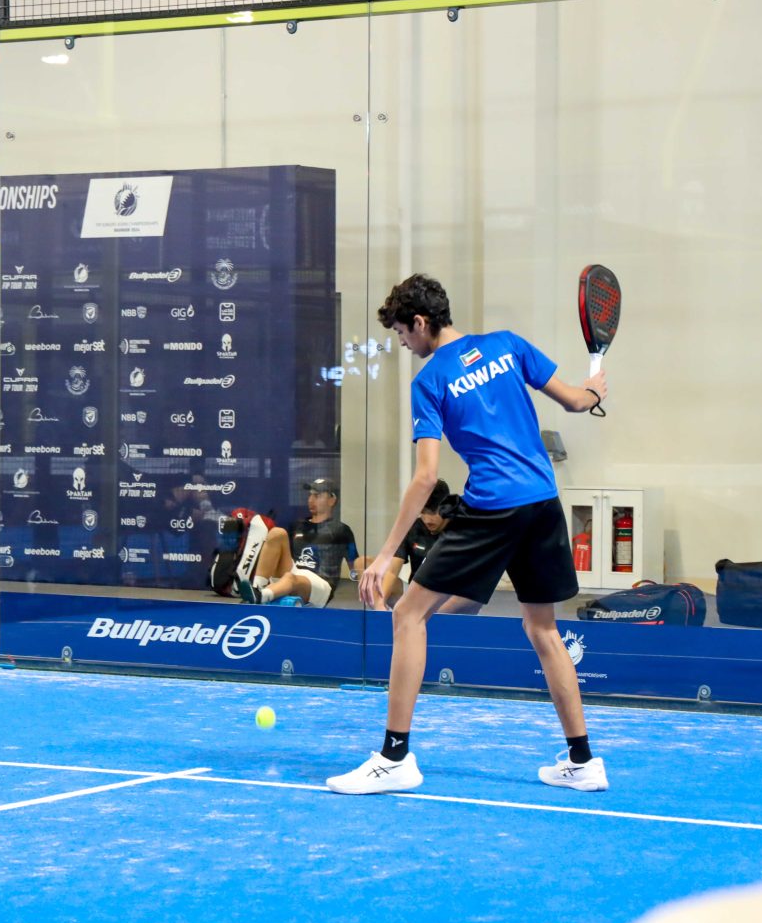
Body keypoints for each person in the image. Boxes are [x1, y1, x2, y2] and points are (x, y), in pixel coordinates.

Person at [327, 273, 610, 795]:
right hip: (543, 503)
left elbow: (426, 477)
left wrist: (384, 555)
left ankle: (394, 757)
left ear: (420, 322)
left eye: (402, 333)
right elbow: (574, 401)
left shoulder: (430, 381)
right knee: (543, 629)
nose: (403, 343)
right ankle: (583, 761)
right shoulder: (508, 344)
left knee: (408, 615)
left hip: (492, 509)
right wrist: (594, 389)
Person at [353, 479, 477, 612]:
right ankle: (386, 613)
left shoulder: (463, 530)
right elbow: (392, 570)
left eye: (433, 512)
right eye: (423, 512)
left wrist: (436, 614)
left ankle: (431, 617)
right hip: (416, 595)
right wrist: (379, 605)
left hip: (449, 598)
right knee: (363, 563)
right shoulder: (414, 527)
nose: (427, 519)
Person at [236, 478, 359, 607]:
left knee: (290, 578)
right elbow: (284, 557)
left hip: (321, 583)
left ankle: (262, 596)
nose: (310, 500)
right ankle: (257, 589)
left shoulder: (341, 530)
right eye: (310, 495)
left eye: (317, 495)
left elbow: (354, 566)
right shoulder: (297, 525)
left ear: (332, 500)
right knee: (277, 533)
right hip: (294, 572)